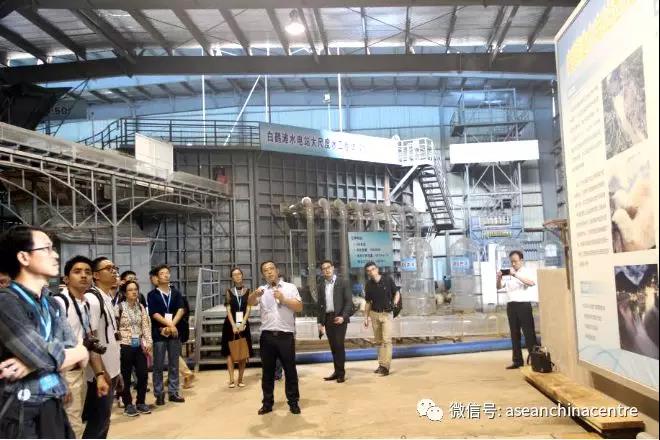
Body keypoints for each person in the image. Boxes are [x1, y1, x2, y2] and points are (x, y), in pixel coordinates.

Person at [0, 225, 89, 438]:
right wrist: (75, 352)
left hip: (52, 401)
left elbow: (79, 359)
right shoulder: (6, 302)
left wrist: (31, 364)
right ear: (24, 257)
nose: (55, 255)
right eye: (47, 249)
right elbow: (43, 355)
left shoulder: (51, 304)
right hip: (20, 410)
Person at [55, 256, 111, 439]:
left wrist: (100, 375)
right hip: (64, 374)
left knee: (75, 422)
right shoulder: (59, 303)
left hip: (80, 373)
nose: (84, 275)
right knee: (73, 427)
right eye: (77, 272)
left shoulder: (85, 304)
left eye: (87, 272)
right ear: (66, 279)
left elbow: (89, 341)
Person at [248, 261, 303, 415]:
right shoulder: (262, 290)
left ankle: (293, 402)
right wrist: (255, 294)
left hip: (285, 336)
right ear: (263, 274)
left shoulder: (290, 287)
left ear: (277, 270)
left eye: (271, 269)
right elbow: (250, 303)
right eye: (265, 270)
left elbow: (299, 307)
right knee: (267, 372)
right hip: (267, 337)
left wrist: (283, 299)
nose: (269, 272)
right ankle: (267, 403)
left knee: (290, 371)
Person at [82, 256, 123, 439]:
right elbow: (91, 340)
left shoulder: (107, 297)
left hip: (111, 370)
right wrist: (102, 373)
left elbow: (112, 337)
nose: (114, 271)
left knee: (104, 421)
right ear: (96, 275)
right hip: (100, 374)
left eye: (115, 268)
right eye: (108, 268)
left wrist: (117, 372)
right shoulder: (92, 299)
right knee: (97, 423)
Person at [146, 264, 185, 405]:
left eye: (167, 273)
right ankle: (159, 393)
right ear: (157, 277)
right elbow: (154, 314)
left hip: (174, 333)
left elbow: (181, 309)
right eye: (162, 273)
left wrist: (172, 325)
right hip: (159, 333)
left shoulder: (176, 293)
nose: (166, 275)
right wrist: (169, 326)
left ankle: (173, 392)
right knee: (158, 365)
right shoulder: (152, 295)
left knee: (174, 363)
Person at [497, 250, 538, 369]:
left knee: (529, 334)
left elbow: (531, 283)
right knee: (514, 335)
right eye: (511, 262)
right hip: (511, 305)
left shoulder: (526, 271)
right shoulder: (509, 273)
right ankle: (517, 361)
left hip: (523, 305)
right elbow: (499, 287)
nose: (513, 264)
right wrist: (499, 278)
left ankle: (535, 361)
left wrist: (515, 274)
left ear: (521, 260)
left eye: (515, 261)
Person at [116, 280, 152, 417]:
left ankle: (141, 402)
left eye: (135, 289)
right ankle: (128, 404)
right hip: (124, 345)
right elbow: (114, 328)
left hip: (138, 345)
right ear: (125, 293)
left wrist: (148, 342)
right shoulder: (119, 308)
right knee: (125, 376)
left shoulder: (141, 307)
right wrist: (117, 345)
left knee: (143, 374)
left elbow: (145, 326)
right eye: (130, 290)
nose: (134, 292)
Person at [317, 260, 352, 383]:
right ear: (322, 271)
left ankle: (341, 373)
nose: (326, 270)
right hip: (328, 318)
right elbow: (320, 305)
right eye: (324, 268)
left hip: (339, 318)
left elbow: (349, 302)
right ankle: (336, 372)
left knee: (339, 345)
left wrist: (343, 316)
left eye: (328, 267)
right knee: (333, 346)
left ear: (333, 268)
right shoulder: (321, 285)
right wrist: (320, 322)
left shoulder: (343, 282)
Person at [363, 261, 400, 376]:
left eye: (373, 269)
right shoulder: (368, 285)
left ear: (377, 269)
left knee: (387, 340)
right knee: (378, 341)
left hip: (387, 314)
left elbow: (397, 293)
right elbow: (368, 302)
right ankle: (381, 364)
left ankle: (386, 367)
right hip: (374, 314)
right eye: (368, 271)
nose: (371, 272)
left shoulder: (387, 280)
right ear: (367, 273)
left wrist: (394, 303)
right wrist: (366, 317)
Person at [220, 267, 254, 388]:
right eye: (235, 275)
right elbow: (228, 310)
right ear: (232, 278)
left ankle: (240, 379)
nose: (237, 276)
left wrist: (243, 323)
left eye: (239, 274)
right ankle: (231, 379)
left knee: (243, 352)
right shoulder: (229, 292)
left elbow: (249, 308)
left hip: (244, 325)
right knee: (230, 353)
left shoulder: (249, 291)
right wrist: (234, 325)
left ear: (242, 275)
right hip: (230, 325)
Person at [177, 294, 195, 389]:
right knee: (175, 354)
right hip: (179, 329)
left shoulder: (176, 296)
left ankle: (186, 373)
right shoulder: (180, 296)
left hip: (174, 329)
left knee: (173, 354)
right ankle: (171, 378)